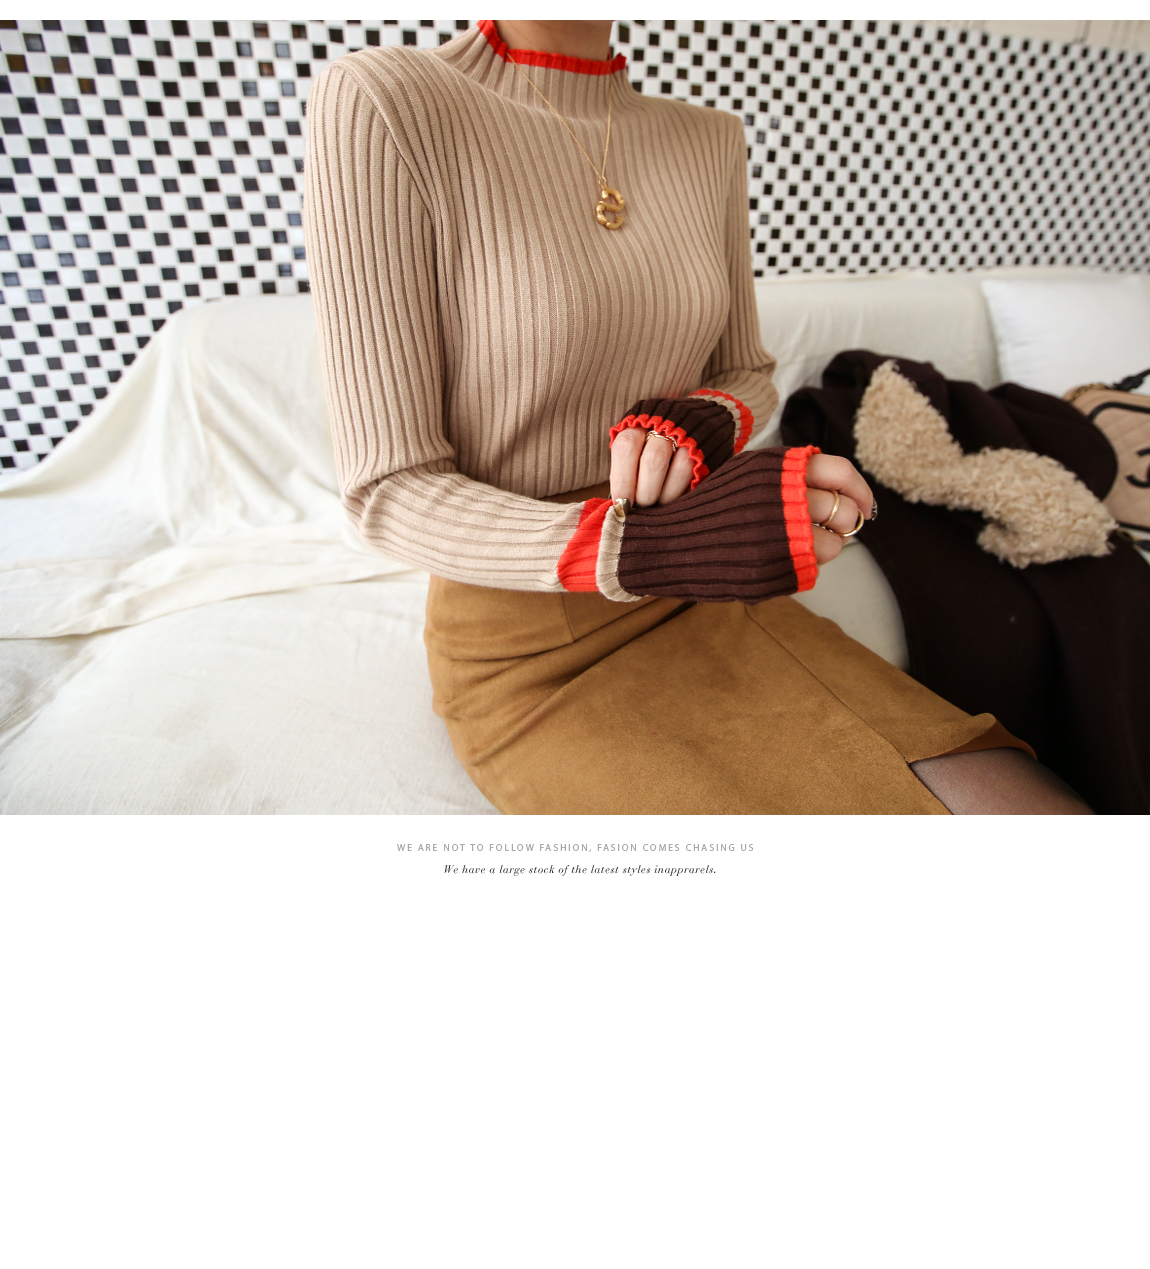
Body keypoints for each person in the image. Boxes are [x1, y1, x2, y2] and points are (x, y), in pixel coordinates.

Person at [303, 19, 1090, 814]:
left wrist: (704, 418)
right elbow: (388, 488)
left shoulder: (710, 138)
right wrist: (652, 545)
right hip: (532, 643)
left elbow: (746, 371)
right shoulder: (382, 102)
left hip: (709, 591)